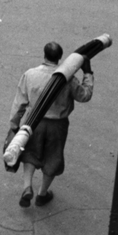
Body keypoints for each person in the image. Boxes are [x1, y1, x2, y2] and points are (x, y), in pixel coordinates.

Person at [8, 40, 94, 206]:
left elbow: (19, 103)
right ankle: (42, 193)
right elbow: (84, 96)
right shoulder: (67, 79)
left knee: (30, 153)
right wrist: (88, 73)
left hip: (34, 122)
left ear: (44, 55)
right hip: (58, 125)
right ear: (60, 58)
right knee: (52, 158)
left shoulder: (30, 75)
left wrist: (14, 126)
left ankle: (27, 187)